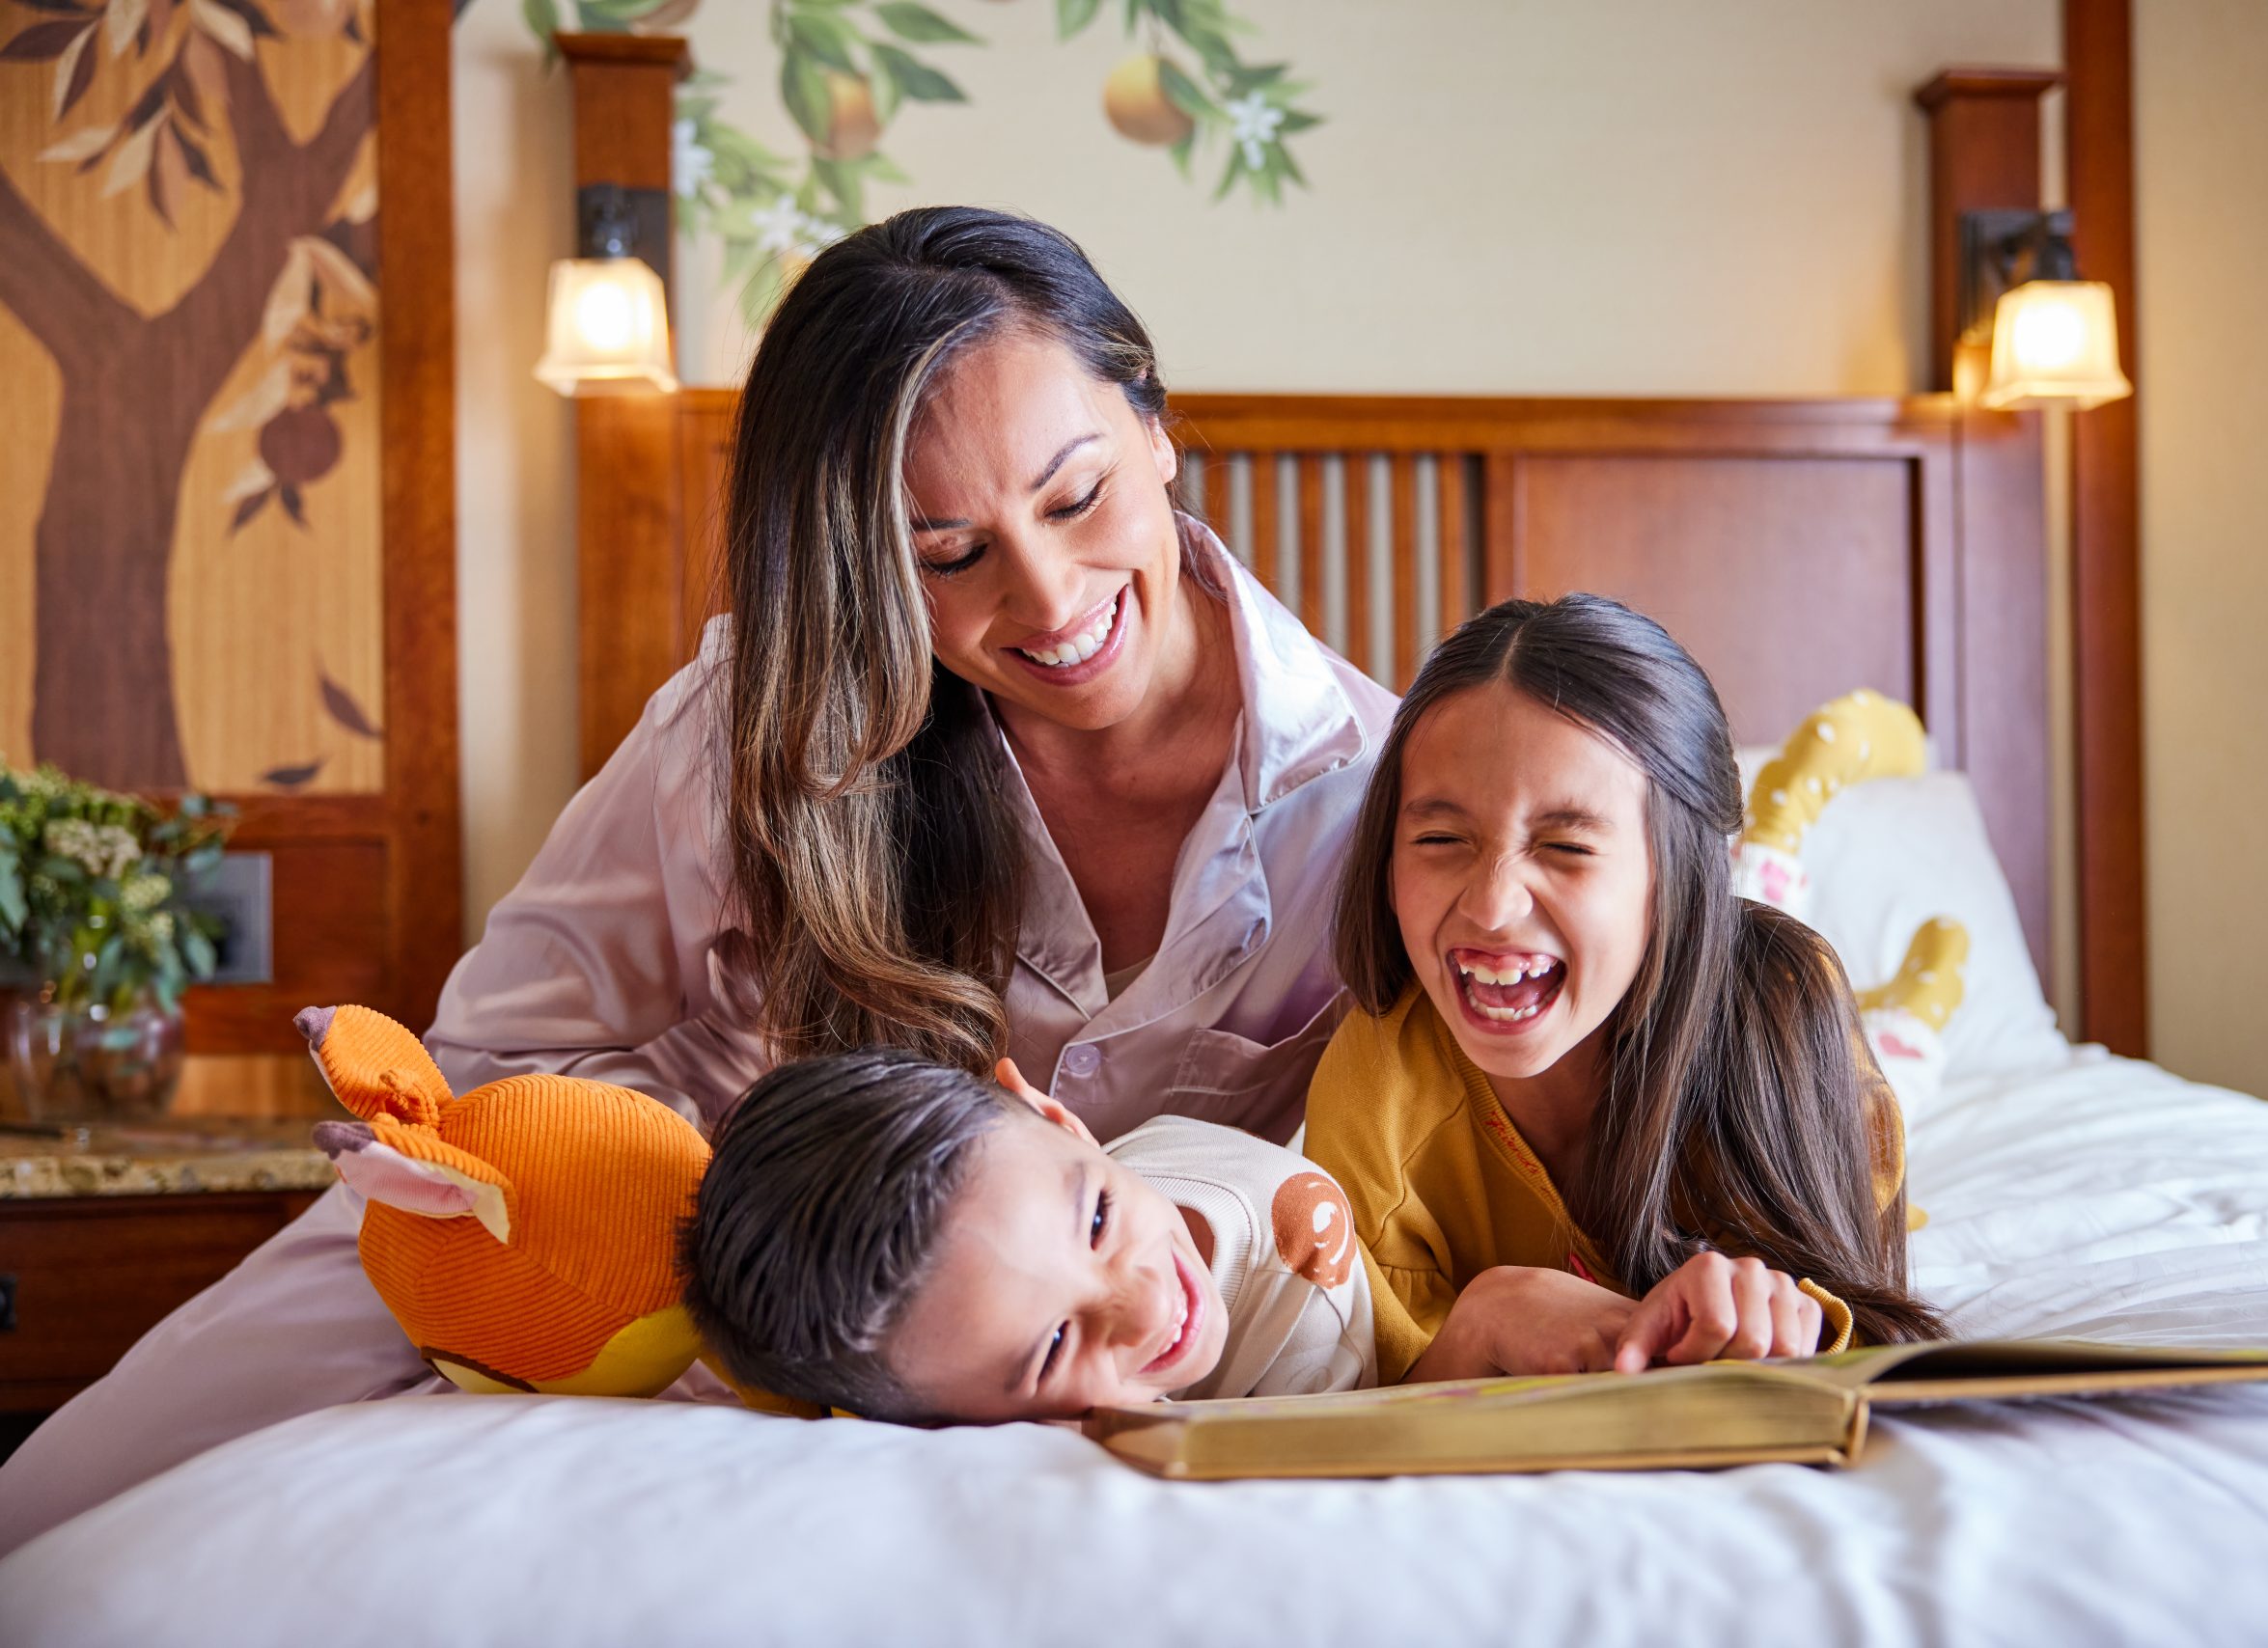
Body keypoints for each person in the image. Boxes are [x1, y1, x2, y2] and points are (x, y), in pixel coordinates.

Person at [0, 207, 1392, 1553]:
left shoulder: (1392, 805)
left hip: (1062, 1369)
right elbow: (486, 1076)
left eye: (1076, 496)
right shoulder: (758, 729)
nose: (1044, 597)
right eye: (948, 556)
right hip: (665, 1257)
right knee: (72, 1508)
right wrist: (686, 1218)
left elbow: (1427, 1172)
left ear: (1153, 424)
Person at [1302, 595, 1947, 1388]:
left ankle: (1916, 991)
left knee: (1909, 1059)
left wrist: (1784, 1320)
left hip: (1761, 1000)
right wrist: (1486, 1318)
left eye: (1566, 846)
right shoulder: (1375, 1092)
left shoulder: (1787, 1017)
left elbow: (1871, 1331)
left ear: (1677, 873)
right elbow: (1375, 1400)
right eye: (1439, 838)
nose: (1492, 905)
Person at [684, 1051, 1373, 1421]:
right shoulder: (1043, 1182)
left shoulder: (1304, 1286)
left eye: (1098, 1220)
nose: (1148, 1309)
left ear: (1058, 1118)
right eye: (1055, 1345)